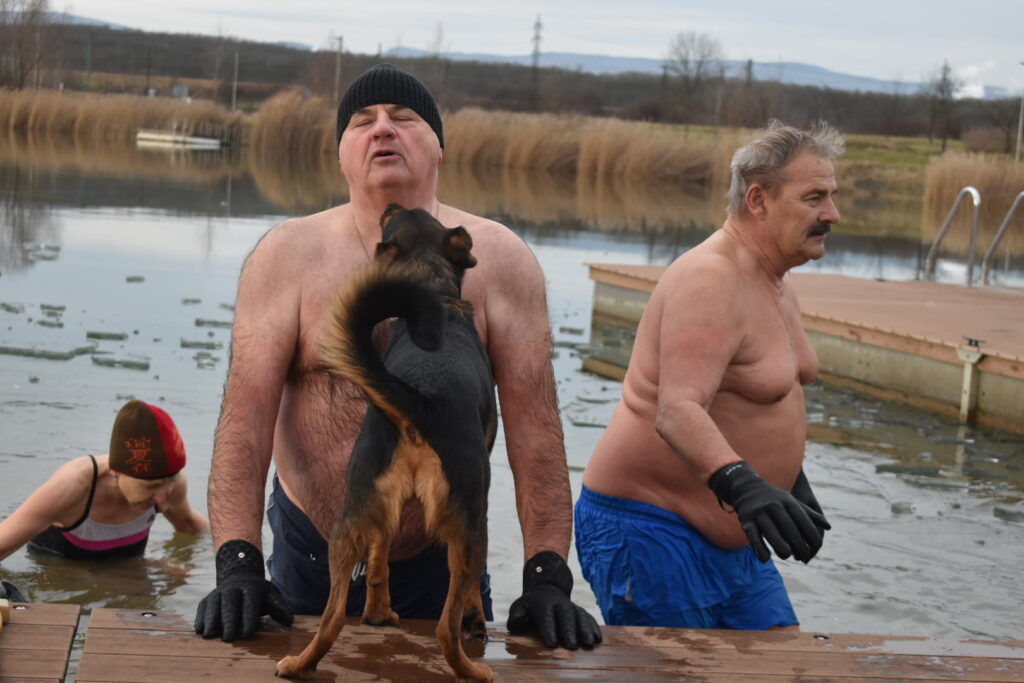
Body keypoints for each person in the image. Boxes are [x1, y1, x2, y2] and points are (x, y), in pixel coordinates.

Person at [193, 63, 601, 650]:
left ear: (439, 148)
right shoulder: (287, 256)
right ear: (341, 156)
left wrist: (547, 575)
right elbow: (245, 421)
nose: (383, 128)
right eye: (362, 122)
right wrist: (237, 561)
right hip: (312, 556)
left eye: (404, 118)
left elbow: (535, 431)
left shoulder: (500, 260)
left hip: (445, 561)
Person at [576, 120, 842, 630]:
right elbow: (678, 411)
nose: (832, 213)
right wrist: (746, 485)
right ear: (758, 201)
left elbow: (753, 398)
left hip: (734, 531)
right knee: (680, 669)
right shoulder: (710, 278)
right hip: (653, 527)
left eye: (831, 196)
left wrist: (789, 481)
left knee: (780, 663)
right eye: (814, 198)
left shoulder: (775, 280)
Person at [0, 400, 209, 577]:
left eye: (170, 484)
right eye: (151, 487)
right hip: (57, 574)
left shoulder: (173, 485)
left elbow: (190, 527)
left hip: (125, 572)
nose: (162, 502)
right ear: (115, 470)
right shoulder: (72, 487)